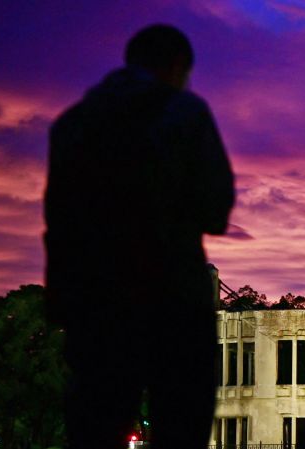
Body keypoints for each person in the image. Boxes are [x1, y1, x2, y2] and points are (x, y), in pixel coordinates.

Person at [44, 24, 234, 449]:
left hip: (96, 302)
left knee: (95, 425)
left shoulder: (72, 124)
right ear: (177, 66)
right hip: (173, 298)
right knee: (181, 425)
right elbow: (216, 210)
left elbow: (58, 223)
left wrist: (61, 303)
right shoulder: (185, 112)